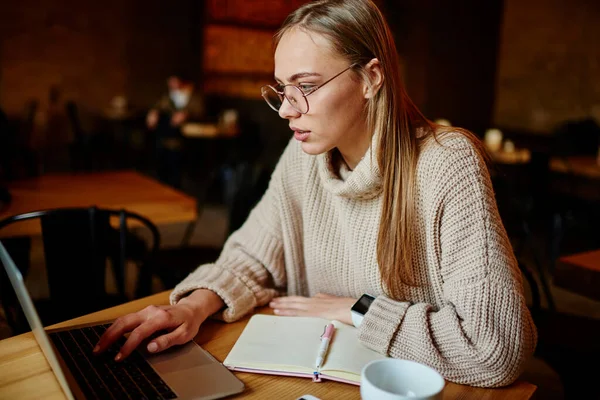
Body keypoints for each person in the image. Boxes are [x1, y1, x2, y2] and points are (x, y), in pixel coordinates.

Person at [95, 0, 536, 388]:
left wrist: (360, 309)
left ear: (370, 78)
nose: (287, 109)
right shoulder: (304, 155)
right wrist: (193, 307)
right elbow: (252, 256)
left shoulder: (446, 163)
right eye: (283, 89)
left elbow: (496, 348)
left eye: (305, 86)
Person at [146, 74, 205, 188]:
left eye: (174, 82)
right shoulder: (169, 96)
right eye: (170, 82)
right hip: (168, 135)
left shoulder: (194, 96)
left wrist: (186, 115)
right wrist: (153, 112)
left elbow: (199, 112)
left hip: (188, 137)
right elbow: (159, 106)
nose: (171, 85)